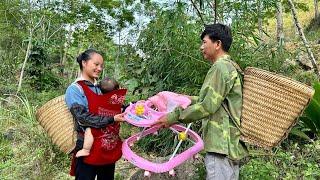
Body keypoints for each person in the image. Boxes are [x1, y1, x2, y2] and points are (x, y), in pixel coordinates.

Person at [154, 24, 248, 180]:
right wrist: (187, 99)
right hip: (229, 145)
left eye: (205, 42)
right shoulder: (230, 66)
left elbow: (207, 106)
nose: (201, 47)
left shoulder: (220, 68)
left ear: (217, 44)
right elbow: (215, 101)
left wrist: (173, 117)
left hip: (221, 146)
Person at [65, 49, 126, 180]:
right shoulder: (75, 89)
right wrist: (112, 118)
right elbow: (82, 117)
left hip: (107, 145)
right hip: (88, 146)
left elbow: (115, 107)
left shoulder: (101, 88)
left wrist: (135, 106)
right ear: (84, 63)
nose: (99, 68)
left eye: (101, 66)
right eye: (96, 64)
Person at [75, 77, 121, 158]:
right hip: (110, 124)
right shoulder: (115, 100)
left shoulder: (97, 98)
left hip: (98, 123)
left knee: (89, 130)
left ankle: (86, 150)